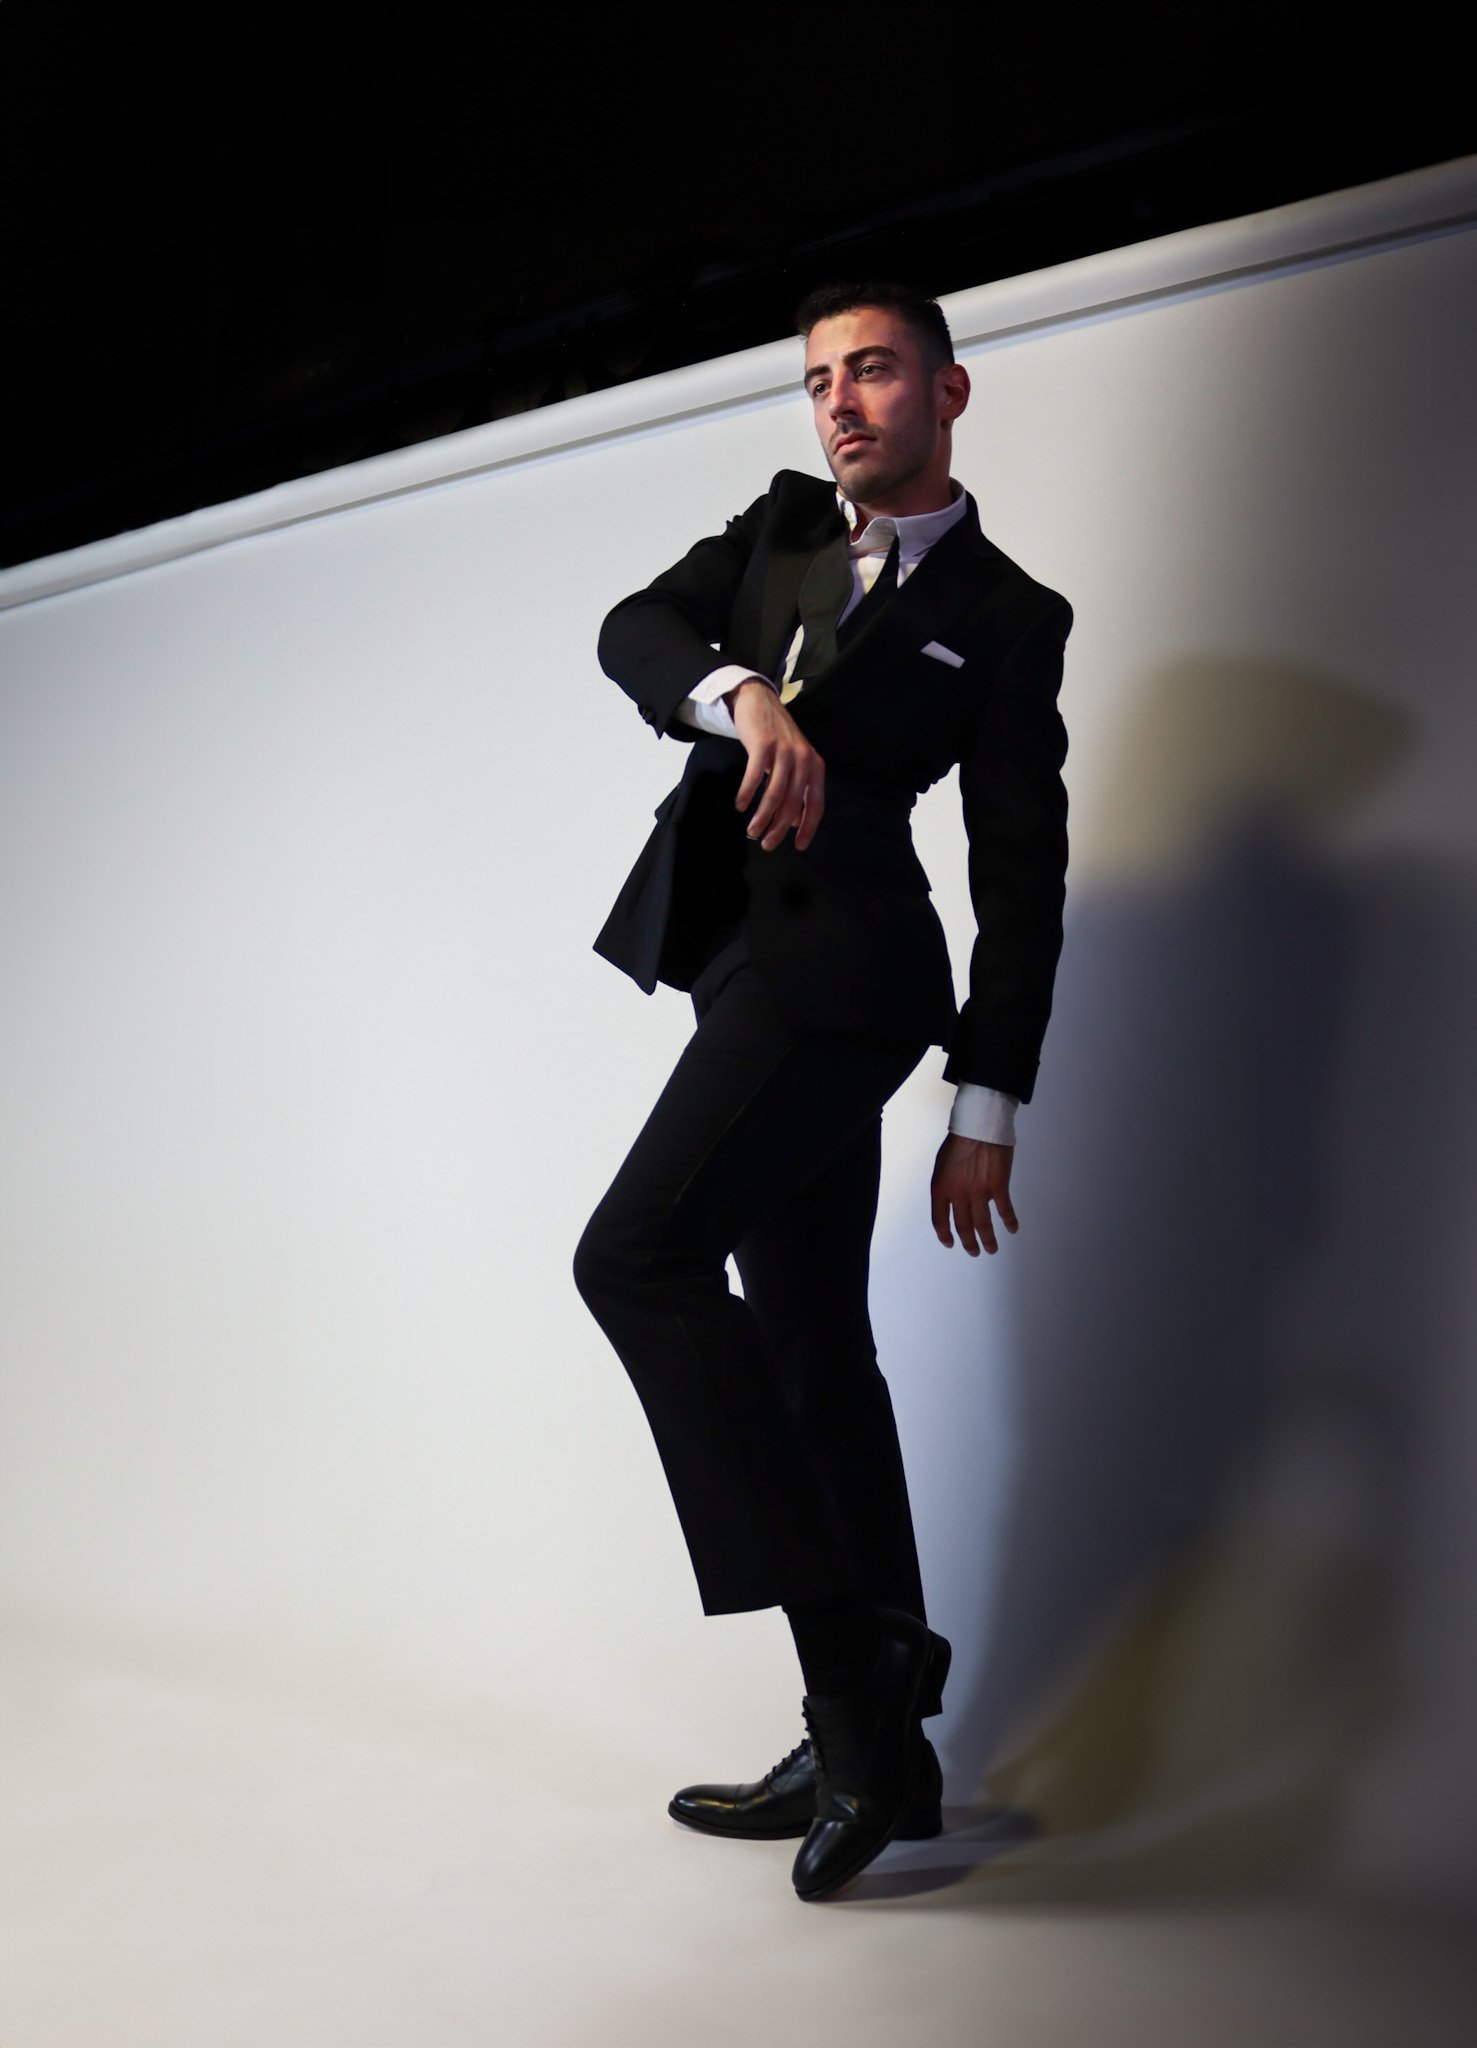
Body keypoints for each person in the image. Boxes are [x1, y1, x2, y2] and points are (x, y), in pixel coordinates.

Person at [573, 280, 1072, 1903]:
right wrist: (746, 689)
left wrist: (984, 1101)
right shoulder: (785, 529)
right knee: (806, 1349)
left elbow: (1022, 874)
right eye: (818, 382)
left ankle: (860, 1682)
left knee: (633, 1259)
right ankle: (887, 1754)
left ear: (947, 390)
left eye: (870, 372)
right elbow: (632, 630)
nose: (839, 404)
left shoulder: (1004, 612)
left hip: (845, 986)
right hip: (739, 969)